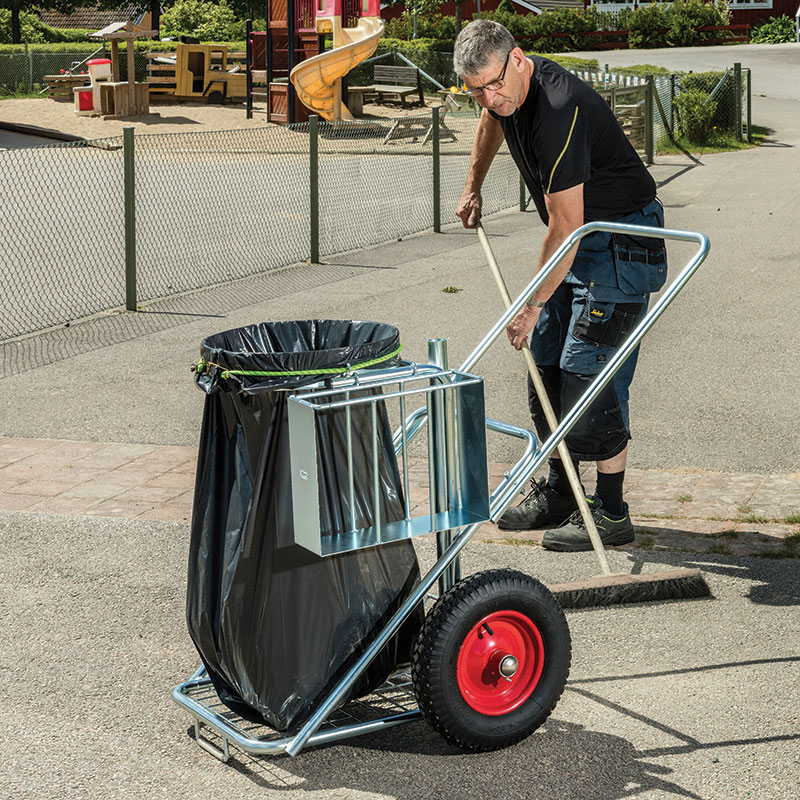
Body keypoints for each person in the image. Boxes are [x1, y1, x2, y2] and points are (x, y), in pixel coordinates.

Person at [453, 20, 668, 552]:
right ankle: (561, 493)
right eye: (475, 89)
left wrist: (531, 305)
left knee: (589, 376)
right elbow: (490, 123)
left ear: (519, 59)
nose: (489, 97)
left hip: (619, 242)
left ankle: (612, 511)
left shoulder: (558, 107)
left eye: (495, 84)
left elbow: (566, 223)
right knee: (545, 363)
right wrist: (472, 185)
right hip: (576, 241)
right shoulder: (503, 95)